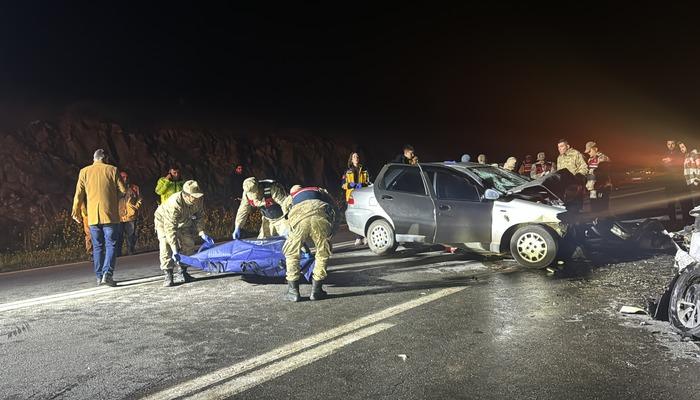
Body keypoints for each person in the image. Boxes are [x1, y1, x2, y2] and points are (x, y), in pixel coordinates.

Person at [71, 149, 126, 286]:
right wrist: (114, 199)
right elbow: (123, 190)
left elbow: (78, 194)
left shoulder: (84, 171)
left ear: (94, 158)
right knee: (111, 244)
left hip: (93, 217)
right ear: (105, 158)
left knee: (97, 247)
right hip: (109, 215)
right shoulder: (112, 170)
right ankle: (108, 273)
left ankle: (99, 276)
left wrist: (75, 212)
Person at [282, 185, 338, 302]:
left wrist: (294, 238)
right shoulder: (319, 190)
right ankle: (317, 291)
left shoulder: (290, 197)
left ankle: (293, 292)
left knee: (292, 254)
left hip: (298, 218)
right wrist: (332, 231)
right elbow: (335, 208)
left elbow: (285, 217)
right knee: (323, 253)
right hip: (320, 215)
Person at [154, 180, 214, 287]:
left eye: (198, 196)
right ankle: (168, 273)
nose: (197, 198)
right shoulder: (174, 203)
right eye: (194, 196)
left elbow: (199, 216)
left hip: (184, 220)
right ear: (186, 195)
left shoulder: (198, 200)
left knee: (189, 243)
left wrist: (201, 232)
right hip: (164, 221)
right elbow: (170, 228)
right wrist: (174, 250)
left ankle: (182, 271)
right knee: (166, 244)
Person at [341, 152, 371, 246]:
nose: (356, 158)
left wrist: (362, 185)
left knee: (364, 216)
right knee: (355, 217)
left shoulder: (365, 170)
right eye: (354, 157)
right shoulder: (347, 171)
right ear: (351, 159)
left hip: (362, 195)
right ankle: (358, 237)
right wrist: (350, 185)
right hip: (352, 196)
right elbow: (343, 185)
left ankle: (365, 236)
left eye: (357, 156)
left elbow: (369, 182)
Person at [556, 139, 588, 211]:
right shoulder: (559, 157)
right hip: (564, 188)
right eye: (558, 147)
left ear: (567, 146)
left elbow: (584, 167)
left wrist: (578, 176)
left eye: (561, 146)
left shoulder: (576, 154)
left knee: (576, 209)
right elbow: (559, 171)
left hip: (575, 186)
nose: (559, 148)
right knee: (566, 209)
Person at [116, 171, 142, 256]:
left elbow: (140, 199)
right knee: (118, 236)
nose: (125, 179)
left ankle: (131, 251)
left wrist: (135, 208)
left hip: (131, 216)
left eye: (126, 177)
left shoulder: (134, 188)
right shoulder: (115, 188)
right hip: (118, 216)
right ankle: (118, 253)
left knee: (131, 235)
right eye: (123, 177)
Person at [662, 140, 686, 225]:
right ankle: (673, 221)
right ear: (666, 145)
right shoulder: (664, 154)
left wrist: (671, 160)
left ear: (675, 145)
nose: (670, 145)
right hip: (669, 183)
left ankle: (686, 221)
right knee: (671, 204)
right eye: (668, 144)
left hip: (679, 182)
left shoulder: (679, 153)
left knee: (683, 202)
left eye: (672, 144)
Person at [584, 142, 612, 214]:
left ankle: (603, 223)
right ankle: (595, 221)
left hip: (602, 187)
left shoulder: (603, 158)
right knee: (594, 206)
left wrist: (600, 184)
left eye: (589, 151)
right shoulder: (590, 160)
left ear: (595, 149)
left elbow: (603, 173)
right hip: (593, 189)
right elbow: (590, 173)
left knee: (602, 208)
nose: (588, 153)